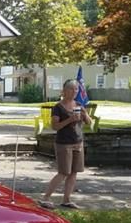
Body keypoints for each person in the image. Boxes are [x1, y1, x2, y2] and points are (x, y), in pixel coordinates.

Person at [39, 79, 92, 209]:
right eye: (72, 89)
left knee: (74, 172)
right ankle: (45, 198)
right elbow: (55, 126)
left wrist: (85, 115)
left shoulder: (79, 105)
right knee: (63, 172)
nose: (75, 92)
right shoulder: (58, 107)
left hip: (78, 142)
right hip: (64, 144)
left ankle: (66, 199)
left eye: (77, 89)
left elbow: (89, 123)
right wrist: (70, 119)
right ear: (65, 90)